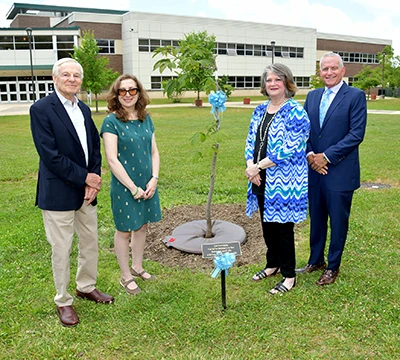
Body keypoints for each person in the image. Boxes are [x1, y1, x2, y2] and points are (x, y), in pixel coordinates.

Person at [30, 58, 114, 328]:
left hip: (86, 193)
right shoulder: (41, 109)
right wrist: (84, 177)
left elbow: (94, 147)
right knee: (62, 248)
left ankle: (86, 286)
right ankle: (63, 301)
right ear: (54, 79)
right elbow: (49, 155)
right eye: (65, 74)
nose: (71, 79)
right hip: (58, 193)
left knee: (89, 242)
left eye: (76, 75)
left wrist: (93, 180)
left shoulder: (84, 109)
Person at [296, 52, 367, 285]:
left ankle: (333, 266)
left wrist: (326, 157)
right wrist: (310, 156)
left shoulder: (355, 96)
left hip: (339, 172)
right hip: (314, 171)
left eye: (333, 68)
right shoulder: (313, 96)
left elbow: (356, 134)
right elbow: (303, 131)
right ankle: (315, 260)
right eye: (324, 68)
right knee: (316, 219)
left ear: (343, 70)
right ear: (320, 72)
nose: (328, 72)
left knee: (338, 222)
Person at [245, 63, 310, 294]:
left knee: (283, 228)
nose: (272, 84)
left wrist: (258, 167)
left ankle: (289, 275)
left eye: (277, 80)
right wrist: (250, 166)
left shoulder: (296, 112)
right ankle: (272, 264)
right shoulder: (260, 110)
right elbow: (251, 140)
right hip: (260, 178)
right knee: (266, 225)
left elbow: (290, 148)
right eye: (269, 80)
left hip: (284, 182)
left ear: (287, 83)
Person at [100, 74, 161, 296]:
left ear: (139, 92)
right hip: (125, 186)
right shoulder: (111, 121)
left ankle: (137, 267)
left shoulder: (147, 118)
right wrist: (133, 188)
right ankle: (125, 276)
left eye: (132, 90)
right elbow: (112, 159)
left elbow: (154, 151)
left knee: (142, 225)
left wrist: (154, 178)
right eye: (122, 91)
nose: (127, 95)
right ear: (116, 94)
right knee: (124, 230)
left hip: (147, 183)